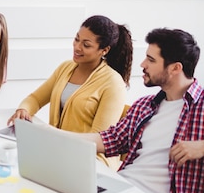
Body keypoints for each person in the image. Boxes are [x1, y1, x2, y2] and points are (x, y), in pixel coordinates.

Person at [77, 28, 204, 193]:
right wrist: (54, 136)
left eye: (151, 60)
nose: (142, 65)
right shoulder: (146, 105)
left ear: (175, 68)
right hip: (122, 192)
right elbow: (110, 139)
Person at [7, 15, 133, 167]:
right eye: (76, 39)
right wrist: (23, 109)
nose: (77, 47)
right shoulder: (65, 68)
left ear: (104, 50)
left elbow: (98, 140)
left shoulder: (113, 84)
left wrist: (51, 136)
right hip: (59, 151)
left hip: (91, 162)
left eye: (86, 45)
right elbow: (35, 98)